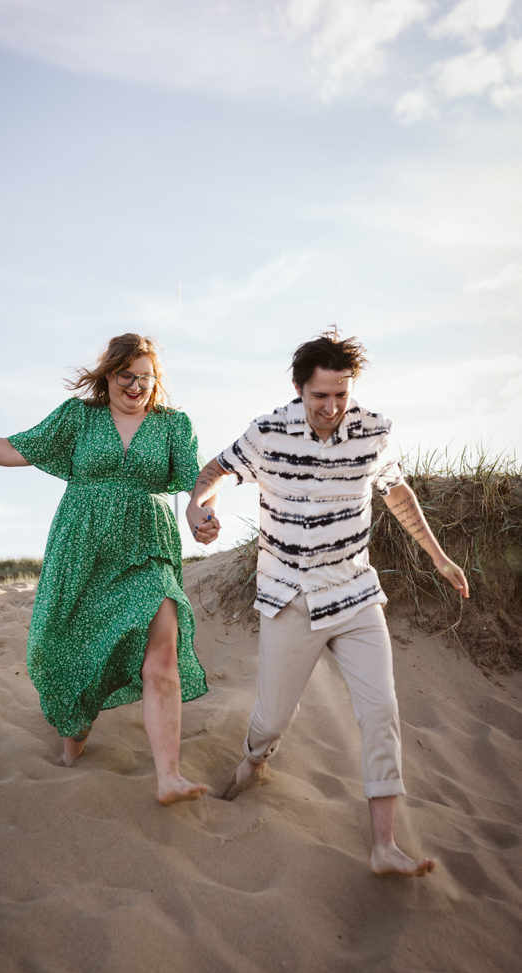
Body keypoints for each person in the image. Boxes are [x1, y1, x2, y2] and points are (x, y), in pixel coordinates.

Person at [187, 327, 469, 874]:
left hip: (356, 593)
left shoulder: (373, 431)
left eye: (342, 394)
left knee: (382, 710)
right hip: (289, 595)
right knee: (271, 722)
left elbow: (395, 490)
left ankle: (383, 846)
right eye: (321, 396)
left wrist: (439, 557)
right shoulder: (267, 432)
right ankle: (253, 761)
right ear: (299, 389)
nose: (333, 407)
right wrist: (198, 506)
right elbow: (215, 471)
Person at [0, 332, 217, 804]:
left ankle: (169, 776)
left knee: (162, 653)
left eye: (145, 378)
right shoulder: (78, 419)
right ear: (108, 375)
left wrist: (199, 512)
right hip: (81, 551)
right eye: (126, 376)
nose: (135, 386)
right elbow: (15, 448)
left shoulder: (174, 425)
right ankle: (73, 744)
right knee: (69, 651)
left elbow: (197, 480)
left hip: (148, 550)